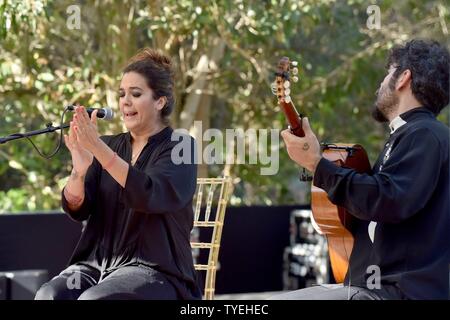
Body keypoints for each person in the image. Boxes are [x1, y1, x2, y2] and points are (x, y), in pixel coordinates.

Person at [277, 39, 450, 300]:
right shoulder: (412, 134)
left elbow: (389, 199)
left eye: (388, 72)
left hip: (394, 292)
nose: (381, 83)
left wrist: (317, 164)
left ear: (403, 78)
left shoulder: (424, 134)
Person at [35, 48, 202, 300]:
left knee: (94, 299)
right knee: (49, 294)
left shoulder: (181, 146)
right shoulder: (109, 145)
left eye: (136, 94)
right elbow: (77, 208)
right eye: (122, 94)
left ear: (160, 101)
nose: (125, 101)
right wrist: (78, 173)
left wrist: (98, 149)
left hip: (155, 271)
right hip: (96, 265)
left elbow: (149, 194)